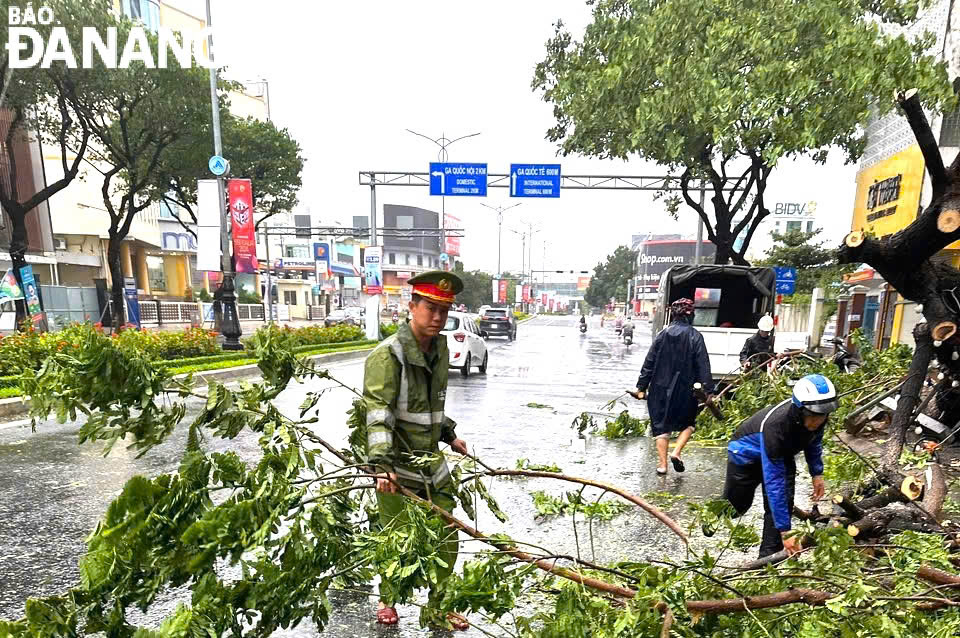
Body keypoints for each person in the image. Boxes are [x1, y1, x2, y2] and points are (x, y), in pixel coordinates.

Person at [363, 270, 471, 630]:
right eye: (430, 308)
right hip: (396, 464)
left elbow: (427, 405)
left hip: (431, 462)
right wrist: (380, 465)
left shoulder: (439, 350)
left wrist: (449, 434)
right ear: (411, 307)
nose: (437, 317)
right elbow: (378, 413)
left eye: (444, 309)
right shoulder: (387, 356)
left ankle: (438, 605)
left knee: (446, 532)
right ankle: (388, 597)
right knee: (395, 535)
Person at [721, 374, 838, 557]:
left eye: (822, 416)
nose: (817, 421)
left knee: (784, 502)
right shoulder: (776, 426)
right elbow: (774, 482)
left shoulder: (819, 417)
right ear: (799, 410)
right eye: (813, 417)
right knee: (737, 507)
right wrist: (786, 531)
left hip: (782, 454)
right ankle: (711, 516)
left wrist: (817, 473)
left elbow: (814, 443)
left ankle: (769, 559)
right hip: (746, 455)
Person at [629, 298, 713, 475]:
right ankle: (676, 452)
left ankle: (662, 465)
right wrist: (709, 390)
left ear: (673, 315)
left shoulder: (662, 334)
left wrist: (641, 387)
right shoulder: (695, 336)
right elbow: (703, 364)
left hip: (659, 388)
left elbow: (649, 362)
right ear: (691, 315)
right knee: (688, 424)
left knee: (661, 427)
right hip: (685, 390)